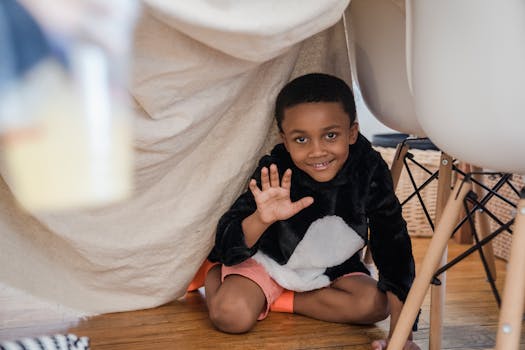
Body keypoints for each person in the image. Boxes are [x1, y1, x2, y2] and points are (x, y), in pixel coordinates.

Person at [204, 73, 419, 350]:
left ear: (352, 132)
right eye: (301, 140)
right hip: (267, 262)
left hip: (329, 270)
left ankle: (277, 301)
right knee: (231, 316)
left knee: (376, 306)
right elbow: (227, 238)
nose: (317, 151)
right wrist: (262, 218)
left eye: (330, 135)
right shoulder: (276, 169)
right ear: (284, 139)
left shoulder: (369, 169)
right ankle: (218, 277)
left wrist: (403, 338)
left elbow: (393, 245)